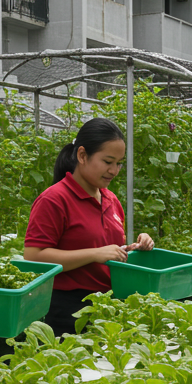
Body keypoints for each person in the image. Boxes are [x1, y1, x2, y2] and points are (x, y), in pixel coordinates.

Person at [24, 118, 154, 336]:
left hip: (108, 306)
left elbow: (107, 250)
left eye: (119, 163)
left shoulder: (111, 199)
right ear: (82, 155)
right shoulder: (54, 199)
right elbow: (34, 257)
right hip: (67, 311)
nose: (114, 170)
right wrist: (95, 254)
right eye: (108, 161)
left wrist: (134, 248)